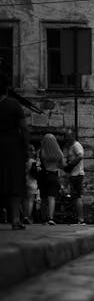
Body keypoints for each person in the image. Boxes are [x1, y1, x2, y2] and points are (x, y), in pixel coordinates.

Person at [0, 70, 31, 229]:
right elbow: (24, 128)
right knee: (15, 183)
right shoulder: (13, 104)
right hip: (12, 147)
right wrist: (26, 148)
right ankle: (15, 219)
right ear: (6, 88)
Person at [40, 133, 64, 225]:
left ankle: (43, 219)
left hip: (44, 175)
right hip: (54, 175)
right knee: (51, 197)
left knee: (43, 198)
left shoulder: (43, 152)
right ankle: (51, 218)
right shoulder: (59, 153)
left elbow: (41, 163)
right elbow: (62, 165)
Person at [63, 131, 85, 224]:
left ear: (72, 136)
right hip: (73, 174)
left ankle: (81, 220)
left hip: (77, 174)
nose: (66, 138)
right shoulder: (71, 146)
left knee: (77, 197)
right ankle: (78, 219)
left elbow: (80, 156)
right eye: (65, 137)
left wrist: (71, 165)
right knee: (75, 197)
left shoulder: (76, 145)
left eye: (67, 136)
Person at [22, 143, 39, 224]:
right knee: (31, 201)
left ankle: (25, 216)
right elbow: (36, 173)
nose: (33, 152)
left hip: (24, 182)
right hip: (32, 182)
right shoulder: (33, 162)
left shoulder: (23, 161)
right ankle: (27, 217)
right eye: (32, 150)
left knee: (25, 200)